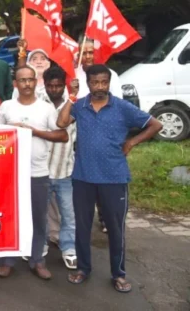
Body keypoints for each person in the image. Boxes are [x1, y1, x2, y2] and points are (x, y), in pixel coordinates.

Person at [57, 64, 162, 293]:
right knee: (82, 227)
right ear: (89, 83)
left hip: (114, 178)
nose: (100, 87)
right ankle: (83, 269)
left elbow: (156, 124)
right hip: (83, 177)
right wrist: (72, 96)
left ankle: (119, 274)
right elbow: (61, 123)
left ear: (109, 82)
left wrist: (132, 142)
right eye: (95, 82)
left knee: (116, 229)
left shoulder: (122, 107)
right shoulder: (81, 106)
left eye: (104, 82)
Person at [0, 67, 69, 280]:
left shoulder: (45, 109)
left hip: (38, 173)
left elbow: (62, 136)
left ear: (36, 83)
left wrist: (34, 132)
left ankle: (37, 260)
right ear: (15, 83)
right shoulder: (6, 106)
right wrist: (11, 130)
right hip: (10, 174)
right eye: (22, 80)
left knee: (38, 218)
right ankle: (7, 260)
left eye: (30, 80)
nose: (26, 84)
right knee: (9, 218)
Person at [42, 66, 78, 270]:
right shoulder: (38, 101)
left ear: (63, 84)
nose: (54, 89)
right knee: (40, 213)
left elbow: (64, 126)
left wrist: (72, 97)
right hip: (42, 170)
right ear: (45, 85)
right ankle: (41, 246)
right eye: (50, 85)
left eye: (58, 85)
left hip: (65, 169)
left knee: (68, 213)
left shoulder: (74, 101)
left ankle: (69, 248)